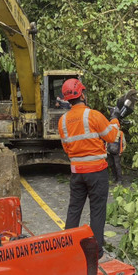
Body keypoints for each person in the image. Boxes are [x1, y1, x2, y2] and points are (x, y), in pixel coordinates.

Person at [57, 78, 120, 262]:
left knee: (74, 210)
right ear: (82, 94)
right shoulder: (93, 115)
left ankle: (68, 249)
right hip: (97, 172)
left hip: (77, 173)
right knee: (97, 211)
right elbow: (111, 136)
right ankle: (96, 252)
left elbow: (67, 149)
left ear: (67, 99)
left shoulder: (62, 121)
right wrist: (115, 118)